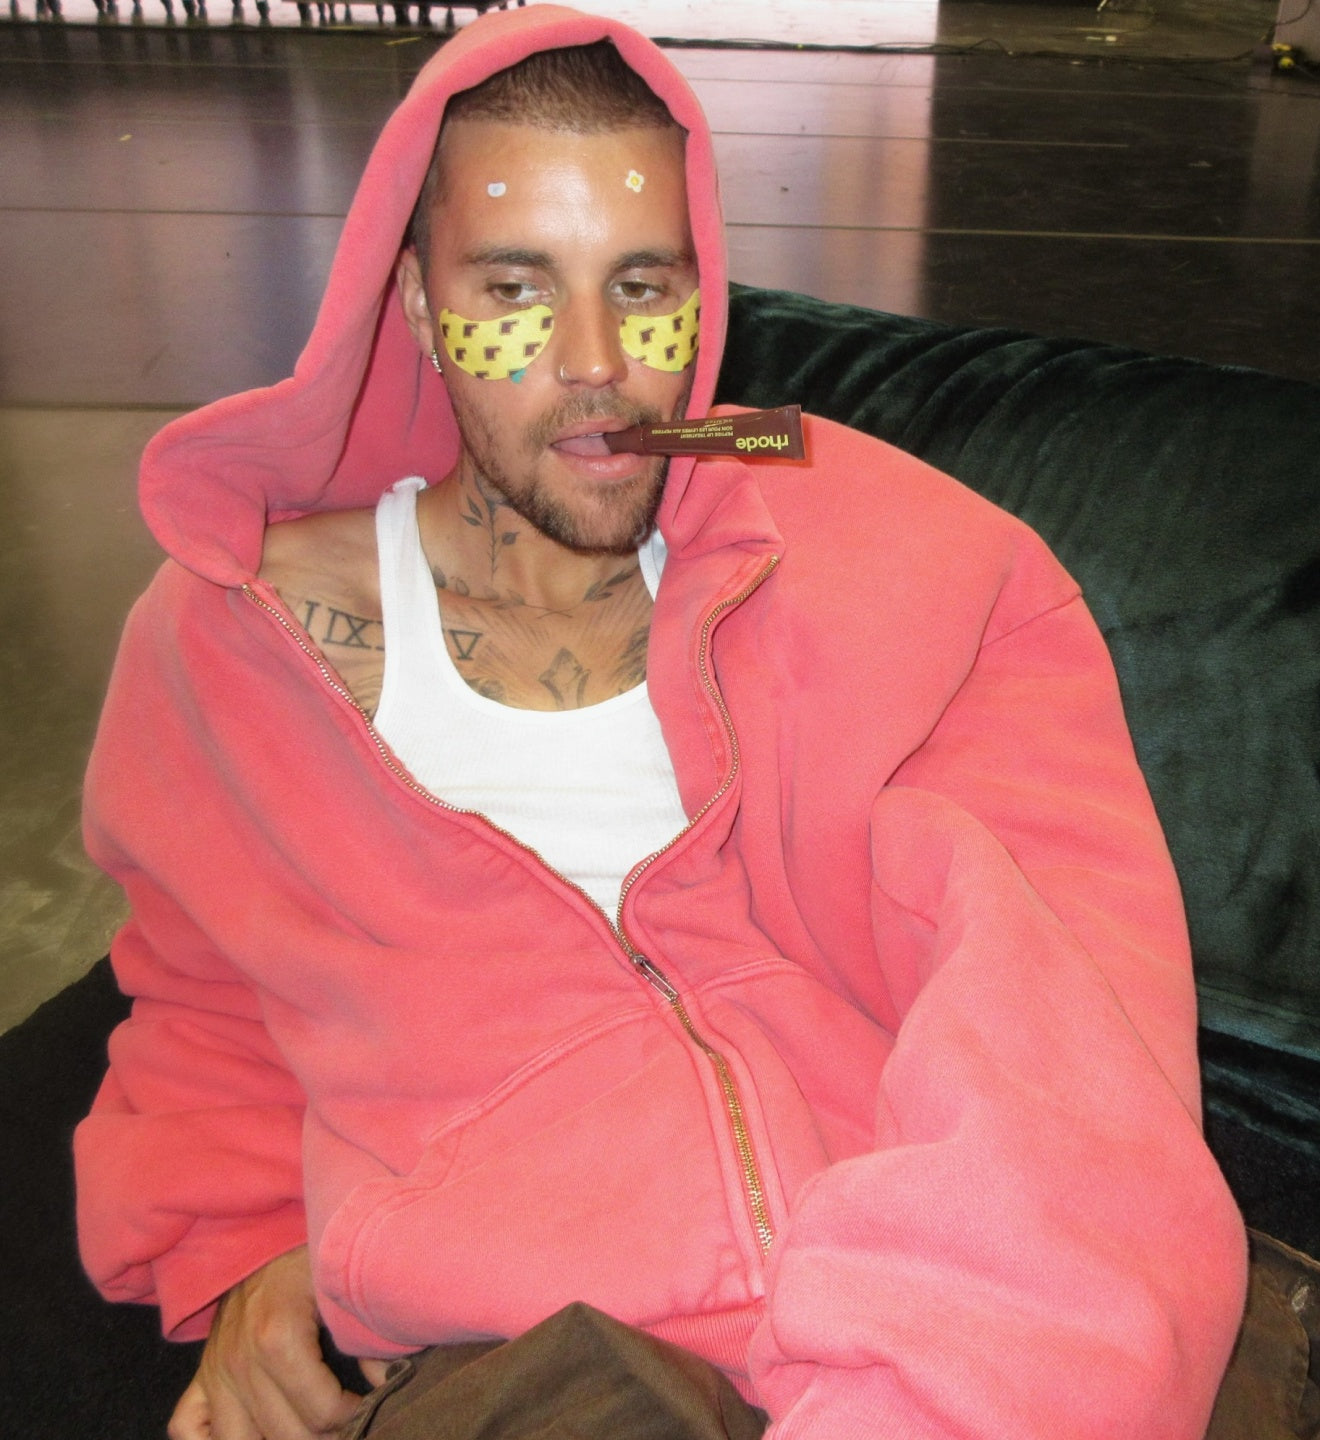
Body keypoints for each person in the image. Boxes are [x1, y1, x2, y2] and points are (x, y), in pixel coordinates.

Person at [74, 7, 1249, 1439]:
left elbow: (1062, 1012)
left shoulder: (894, 551)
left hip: (919, 1311)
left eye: (644, 288)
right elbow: (203, 987)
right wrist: (248, 1242)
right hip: (519, 1355)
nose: (596, 362)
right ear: (415, 303)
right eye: (516, 287)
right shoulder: (236, 632)